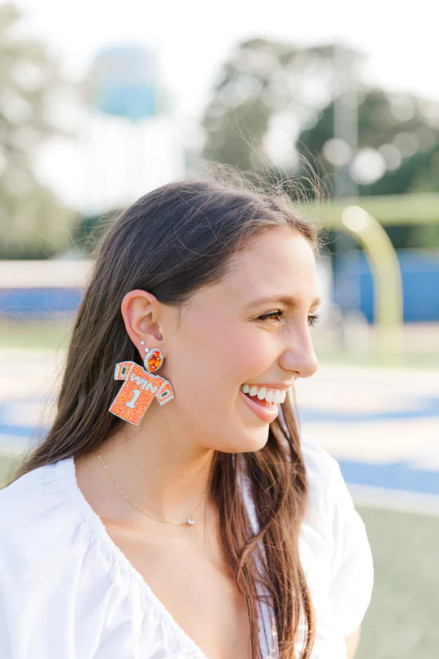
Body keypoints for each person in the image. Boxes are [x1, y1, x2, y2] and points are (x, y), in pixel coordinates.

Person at [0, 174, 373, 659]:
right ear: (150, 325)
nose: (307, 360)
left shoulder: (309, 494)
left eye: (311, 319)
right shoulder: (26, 552)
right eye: (271, 315)